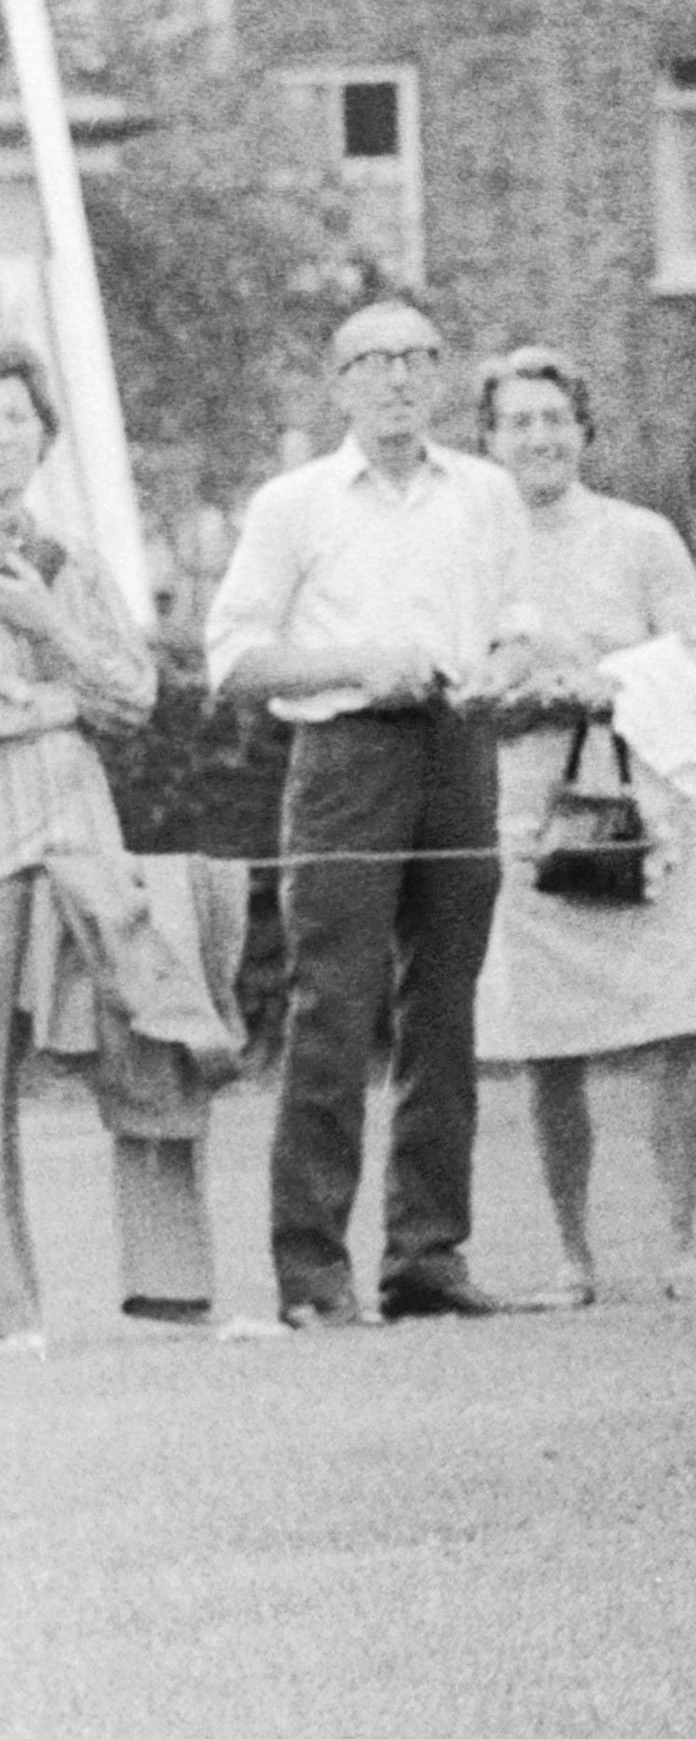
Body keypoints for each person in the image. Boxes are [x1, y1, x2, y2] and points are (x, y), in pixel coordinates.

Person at [205, 298, 532, 1329]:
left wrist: (501, 672)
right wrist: (358, 662)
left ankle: (427, 1256)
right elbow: (235, 660)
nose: (395, 378)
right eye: (372, 361)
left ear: (439, 375)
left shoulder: (484, 493)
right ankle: (313, 1274)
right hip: (345, 752)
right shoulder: (295, 503)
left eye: (414, 359)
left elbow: (520, 628)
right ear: (338, 382)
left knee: (447, 1009)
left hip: (457, 748)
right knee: (332, 1008)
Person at [468, 349, 696, 1307]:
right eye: (518, 421)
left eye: (555, 418)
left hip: (648, 805)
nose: (539, 437)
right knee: (550, 1040)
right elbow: (458, 677)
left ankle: (682, 1242)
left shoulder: (642, 536)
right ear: (489, 439)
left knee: (677, 1025)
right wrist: (513, 692)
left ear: (585, 429)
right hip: (530, 814)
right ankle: (573, 1256)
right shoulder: (474, 547)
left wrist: (601, 678)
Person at [0, 345, 187, 1348]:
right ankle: (8, 1311)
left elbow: (137, 695)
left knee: (147, 1052)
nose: (2, 437)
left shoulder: (71, 562)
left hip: (80, 842)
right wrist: (46, 711)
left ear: (43, 435)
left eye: (18, 419)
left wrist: (46, 635)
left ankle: (169, 1294)